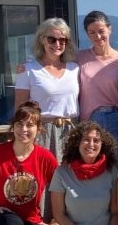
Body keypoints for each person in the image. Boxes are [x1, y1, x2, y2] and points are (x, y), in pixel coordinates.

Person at [14, 17, 79, 163]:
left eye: (63, 40)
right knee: (41, 178)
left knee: (69, 179)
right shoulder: (28, 70)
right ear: (42, 40)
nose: (57, 44)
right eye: (52, 39)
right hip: (41, 132)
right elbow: (20, 108)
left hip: (72, 131)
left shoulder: (75, 69)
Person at [77, 11, 118, 155]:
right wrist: (26, 67)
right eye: (92, 32)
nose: (97, 36)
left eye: (101, 31)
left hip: (116, 119)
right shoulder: (78, 58)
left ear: (110, 29)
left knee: (114, 166)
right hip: (88, 120)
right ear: (87, 34)